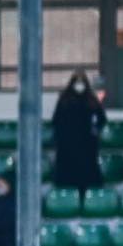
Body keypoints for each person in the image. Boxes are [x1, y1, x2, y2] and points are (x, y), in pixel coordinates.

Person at [52, 70, 106, 198]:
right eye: (77, 82)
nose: (79, 85)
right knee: (67, 175)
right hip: (67, 144)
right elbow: (56, 120)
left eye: (82, 82)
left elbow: (102, 119)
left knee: (86, 175)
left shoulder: (91, 99)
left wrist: (95, 131)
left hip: (87, 144)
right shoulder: (64, 99)